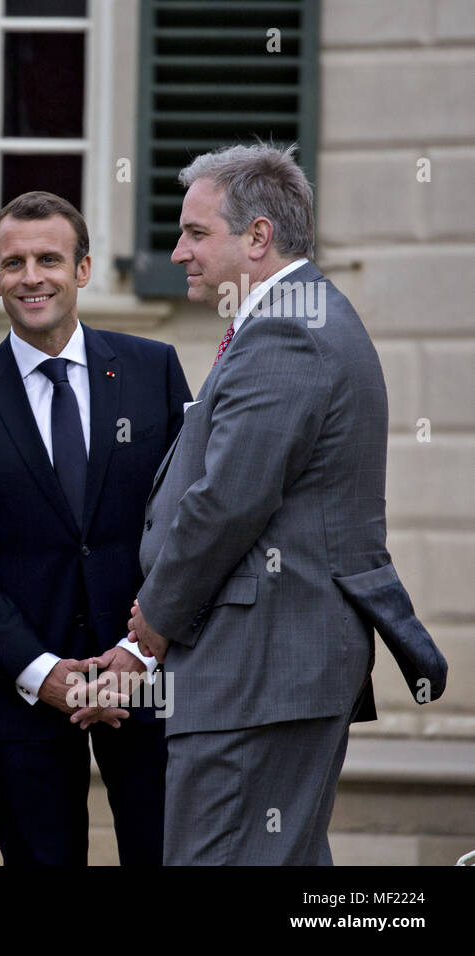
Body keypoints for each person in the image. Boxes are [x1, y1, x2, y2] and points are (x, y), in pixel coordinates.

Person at [132, 143, 430, 864]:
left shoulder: (287, 330)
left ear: (258, 236)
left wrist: (153, 628)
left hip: (255, 672)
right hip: (269, 671)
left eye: (196, 233)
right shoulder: (293, 318)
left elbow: (228, 502)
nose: (177, 253)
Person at [0, 192, 191, 865]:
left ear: (83, 269)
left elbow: (190, 522)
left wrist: (142, 651)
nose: (31, 276)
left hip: (153, 679)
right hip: (24, 689)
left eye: (49, 258)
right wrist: (41, 672)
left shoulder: (152, 370)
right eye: (12, 263)